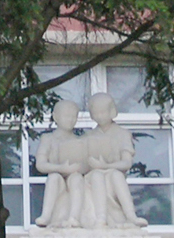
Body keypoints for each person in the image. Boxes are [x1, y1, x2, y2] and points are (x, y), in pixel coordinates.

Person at [81, 92, 146, 227]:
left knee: (115, 175)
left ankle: (131, 216)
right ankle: (100, 218)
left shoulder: (122, 134)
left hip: (114, 175)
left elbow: (126, 163)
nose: (99, 116)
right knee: (97, 175)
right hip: (93, 176)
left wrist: (105, 166)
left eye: (103, 112)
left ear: (112, 111)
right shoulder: (88, 136)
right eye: (95, 113)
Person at [32, 99, 89, 227]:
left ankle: (74, 217)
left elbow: (87, 164)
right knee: (53, 178)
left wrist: (80, 167)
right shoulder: (48, 138)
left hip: (74, 175)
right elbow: (40, 164)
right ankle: (46, 216)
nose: (70, 120)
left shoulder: (80, 140)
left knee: (76, 178)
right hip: (58, 176)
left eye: (73, 117)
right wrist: (61, 168)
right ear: (56, 117)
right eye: (66, 116)